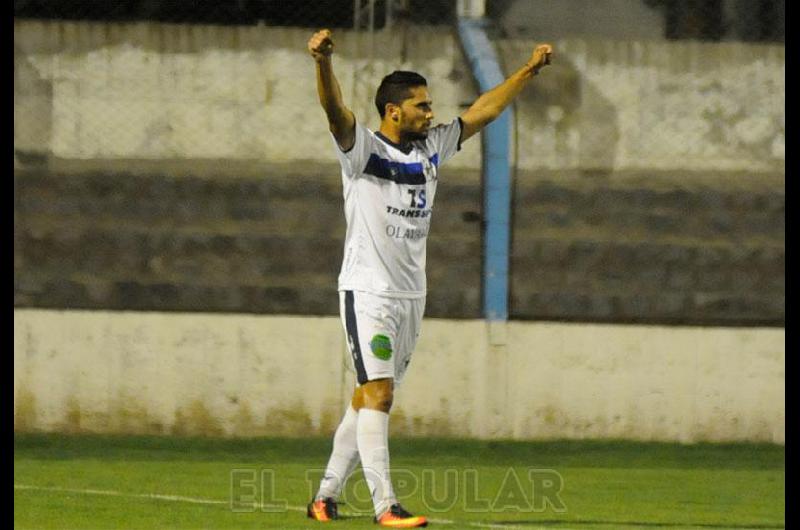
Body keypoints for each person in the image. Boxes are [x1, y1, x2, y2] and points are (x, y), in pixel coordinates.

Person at [305, 28, 552, 527]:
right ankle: (385, 507)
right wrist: (323, 63)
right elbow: (335, 114)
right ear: (394, 111)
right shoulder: (362, 151)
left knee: (367, 398)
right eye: (421, 106)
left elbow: (484, 112)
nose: (431, 113)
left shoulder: (432, 150)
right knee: (380, 394)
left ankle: (325, 496)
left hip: (411, 295)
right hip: (368, 289)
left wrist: (526, 70)